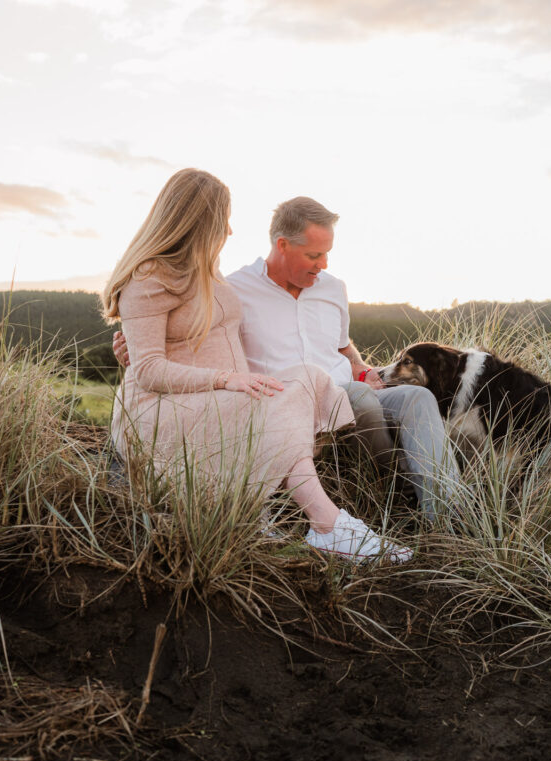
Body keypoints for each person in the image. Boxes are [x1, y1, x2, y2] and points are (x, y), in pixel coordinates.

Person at [102, 168, 412, 564]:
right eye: (222, 220)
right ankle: (328, 523)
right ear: (197, 221)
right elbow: (148, 370)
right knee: (270, 400)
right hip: (164, 407)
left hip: (214, 394)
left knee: (307, 378)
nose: (229, 231)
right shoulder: (148, 277)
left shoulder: (207, 269)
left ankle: (318, 521)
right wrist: (227, 378)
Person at [115, 194, 461, 520]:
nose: (323, 264)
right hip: (292, 398)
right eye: (313, 255)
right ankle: (394, 487)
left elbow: (343, 346)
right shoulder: (235, 290)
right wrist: (135, 344)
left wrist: (362, 368)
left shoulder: (333, 287)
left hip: (350, 386)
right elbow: (199, 338)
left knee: (416, 397)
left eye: (327, 254)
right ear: (283, 245)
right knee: (359, 400)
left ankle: (448, 515)